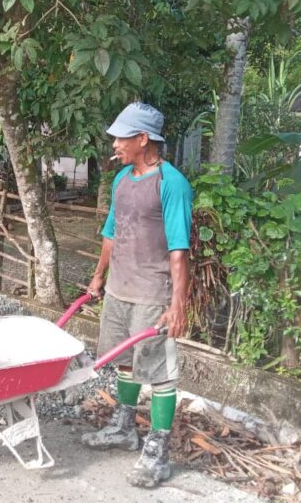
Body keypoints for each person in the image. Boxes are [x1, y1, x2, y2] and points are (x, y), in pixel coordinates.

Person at [83, 102, 193, 488]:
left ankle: (158, 453)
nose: (114, 144)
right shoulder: (122, 180)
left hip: (152, 293)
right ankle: (124, 427)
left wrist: (177, 304)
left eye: (121, 137)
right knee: (125, 362)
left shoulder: (171, 183)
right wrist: (98, 278)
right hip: (119, 289)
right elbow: (111, 233)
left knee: (160, 374)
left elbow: (179, 249)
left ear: (142, 139)